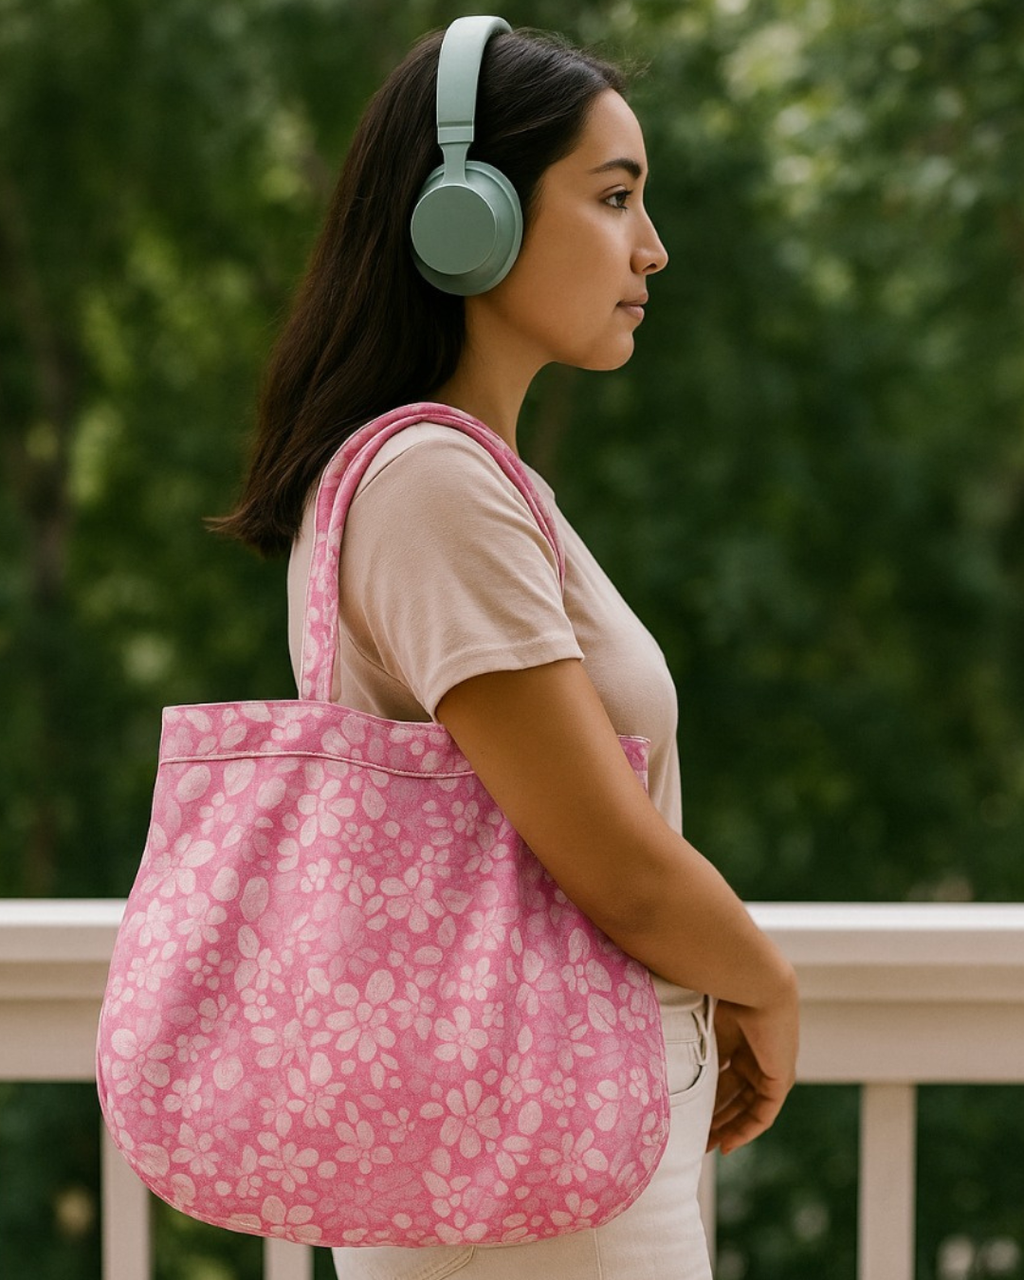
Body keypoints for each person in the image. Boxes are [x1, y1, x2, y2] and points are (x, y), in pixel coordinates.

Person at [218, 16, 799, 1280]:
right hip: (534, 1169)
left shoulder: (467, 478)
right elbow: (614, 862)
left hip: (544, 1147)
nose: (651, 245)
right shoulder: (429, 484)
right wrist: (766, 980)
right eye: (613, 196)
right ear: (465, 217)